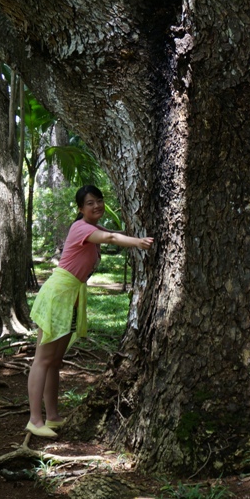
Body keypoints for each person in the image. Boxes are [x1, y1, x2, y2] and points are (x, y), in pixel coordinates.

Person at [26, 185, 153, 438]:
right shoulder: (80, 228)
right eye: (90, 203)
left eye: (99, 201)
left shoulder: (95, 228)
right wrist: (139, 243)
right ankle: (34, 420)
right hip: (58, 294)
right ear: (81, 208)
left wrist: (135, 235)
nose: (96, 206)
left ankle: (52, 416)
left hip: (71, 296)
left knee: (54, 362)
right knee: (43, 359)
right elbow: (111, 239)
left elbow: (113, 233)